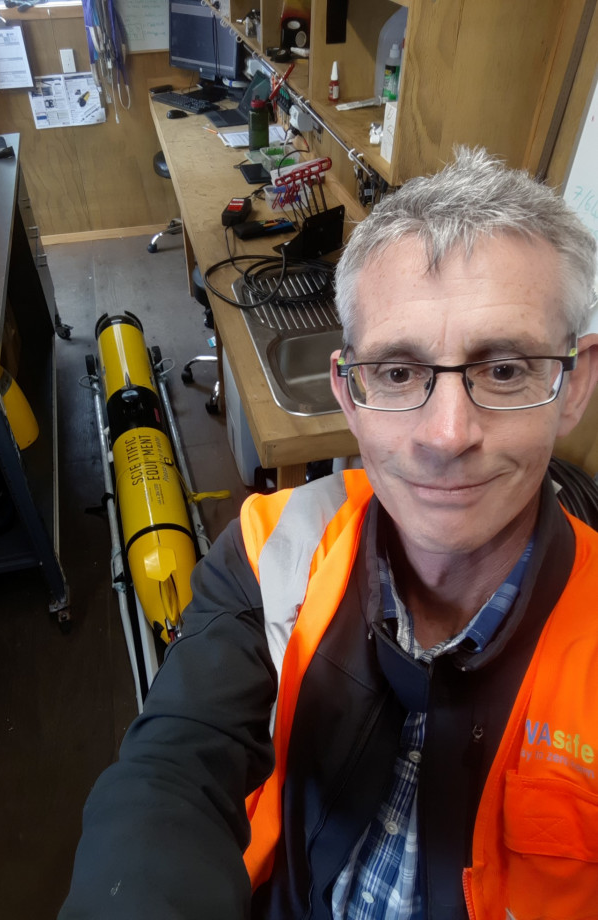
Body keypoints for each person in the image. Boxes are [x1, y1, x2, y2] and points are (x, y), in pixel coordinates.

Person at [59, 148, 598, 920]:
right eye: (399, 373)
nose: (447, 435)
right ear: (347, 391)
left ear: (574, 385)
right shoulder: (275, 549)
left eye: (506, 370)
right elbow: (173, 770)